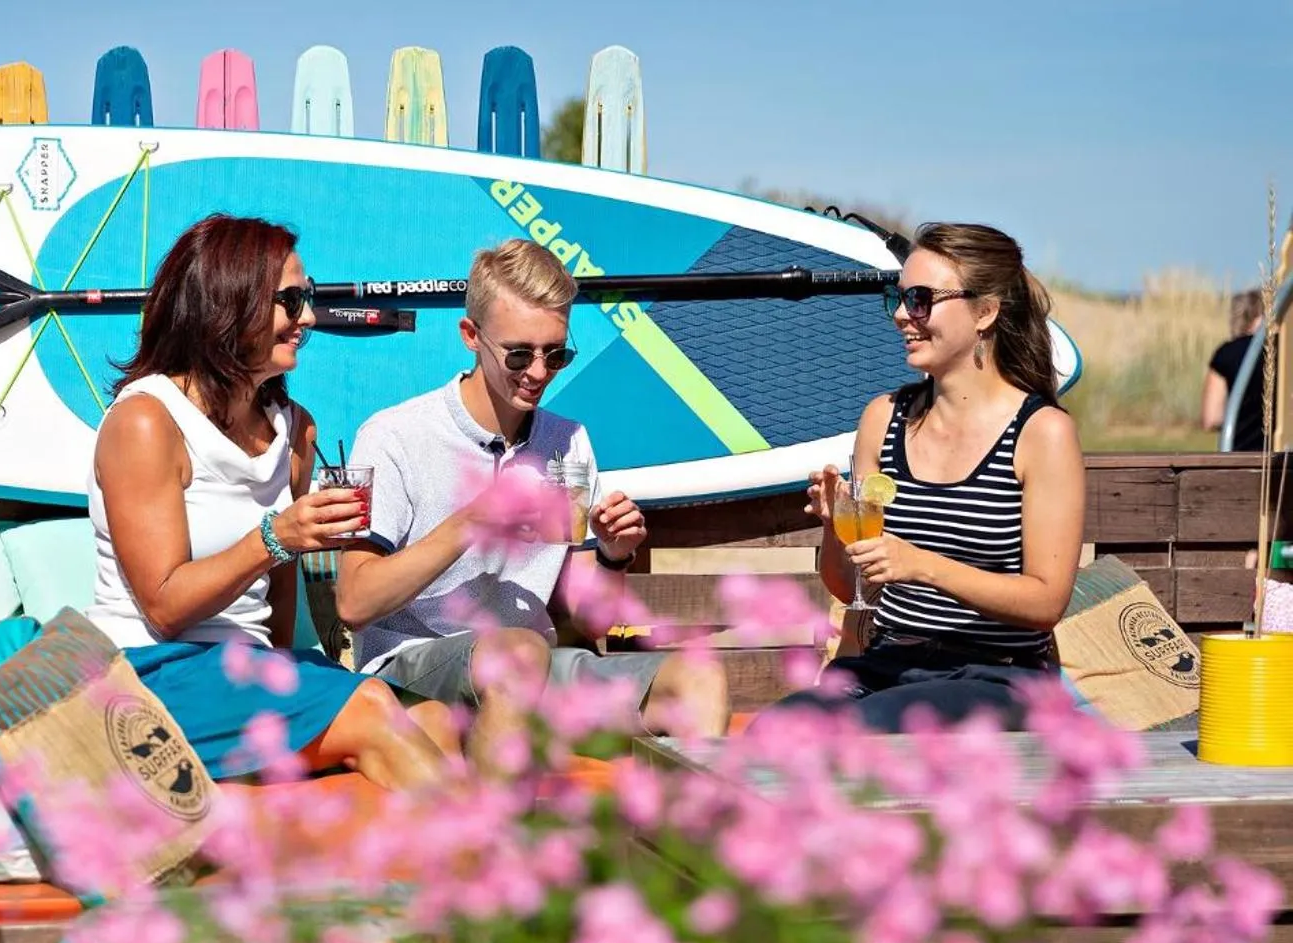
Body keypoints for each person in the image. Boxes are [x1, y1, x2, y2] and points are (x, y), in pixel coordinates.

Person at [85, 213, 460, 790]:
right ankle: (504, 871)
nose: (308, 316)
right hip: (151, 673)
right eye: (291, 299)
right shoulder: (146, 421)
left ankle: (380, 876)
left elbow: (278, 597)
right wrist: (275, 537)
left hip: (245, 670)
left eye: (306, 297)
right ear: (230, 305)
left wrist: (289, 677)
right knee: (372, 713)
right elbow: (163, 606)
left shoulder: (294, 432)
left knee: (433, 719)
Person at [331, 238, 731, 766]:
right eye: (519, 353)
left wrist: (614, 553)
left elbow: (588, 619)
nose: (539, 372)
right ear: (471, 336)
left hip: (532, 669)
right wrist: (473, 520)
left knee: (699, 676)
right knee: (518, 654)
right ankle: (501, 846)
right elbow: (354, 604)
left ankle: (686, 846)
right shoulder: (396, 435)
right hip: (414, 676)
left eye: (556, 353)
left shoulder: (568, 442)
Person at [763, 221, 1086, 733]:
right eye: (898, 296)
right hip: (892, 664)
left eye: (920, 299)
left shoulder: (1041, 433)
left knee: (862, 734)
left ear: (985, 312)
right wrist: (836, 526)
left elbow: (1046, 601)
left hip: (1001, 678)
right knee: (775, 731)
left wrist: (921, 564)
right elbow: (849, 589)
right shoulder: (883, 419)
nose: (900, 314)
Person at [1203, 288, 1268, 452]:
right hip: (1281, 461)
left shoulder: (1227, 354)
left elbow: (1211, 418)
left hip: (1238, 457)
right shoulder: (1283, 353)